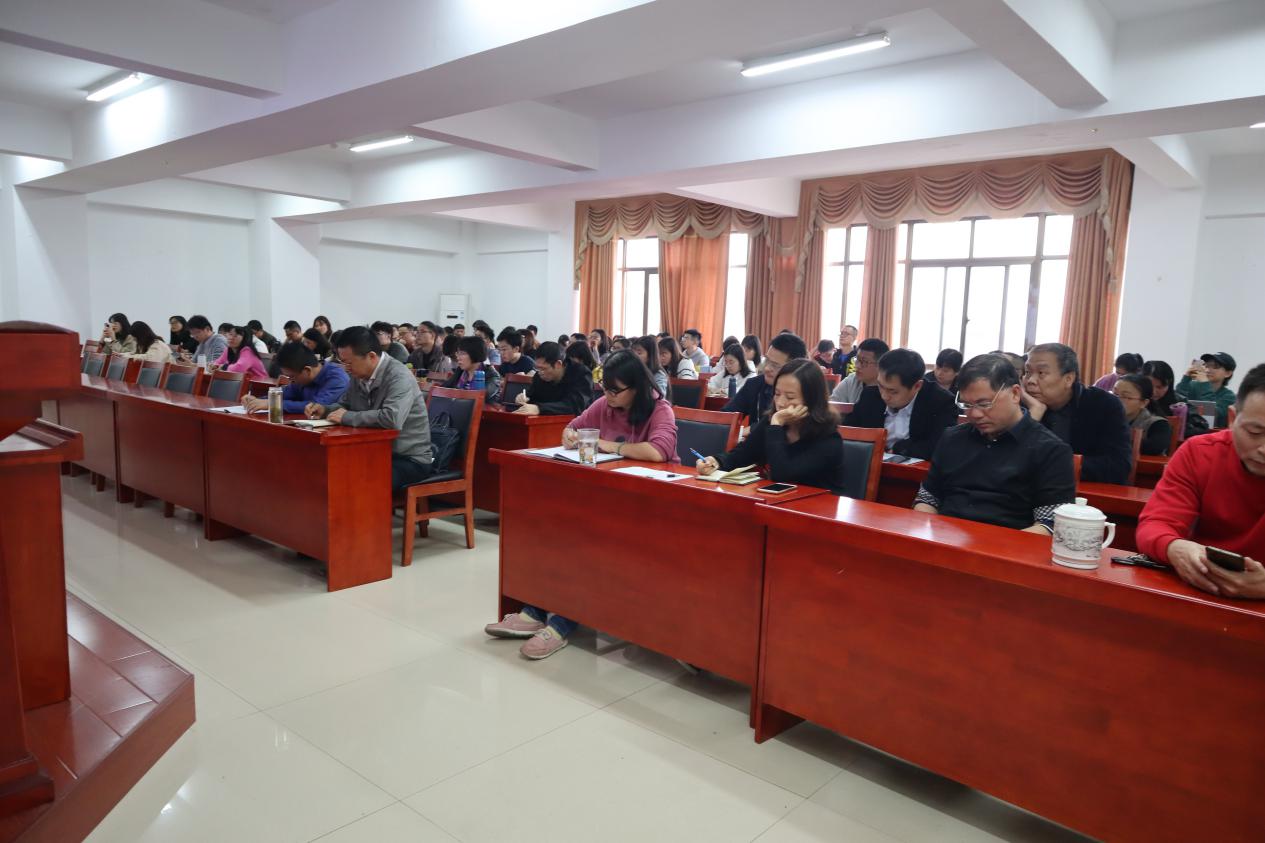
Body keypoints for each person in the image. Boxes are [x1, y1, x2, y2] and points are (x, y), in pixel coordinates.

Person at [484, 350, 678, 659]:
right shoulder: (604, 405)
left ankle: (560, 624)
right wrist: (570, 436)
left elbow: (658, 451)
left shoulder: (659, 410)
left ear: (637, 387)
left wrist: (608, 445)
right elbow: (572, 427)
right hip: (606, 500)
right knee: (554, 531)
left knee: (586, 542)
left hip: (649, 508)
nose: (608, 396)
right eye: (605, 389)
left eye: (615, 390)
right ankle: (536, 609)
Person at [1136, 363, 1265, 598]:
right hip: (1202, 588)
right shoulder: (1200, 453)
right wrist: (1175, 547)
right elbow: (1156, 524)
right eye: (1255, 432)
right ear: (1232, 418)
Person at [915, 354, 1076, 532]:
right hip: (946, 537)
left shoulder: (1050, 450)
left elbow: (1050, 524)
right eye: (967, 405)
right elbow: (927, 499)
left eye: (984, 404)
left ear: (1015, 394)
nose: (975, 414)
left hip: (1010, 542)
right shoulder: (952, 438)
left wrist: (991, 546)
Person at [306, 326, 434, 489]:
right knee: (325, 468)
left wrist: (346, 417)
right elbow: (346, 404)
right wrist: (325, 410)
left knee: (359, 479)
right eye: (343, 362)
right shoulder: (358, 373)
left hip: (408, 458)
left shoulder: (398, 376)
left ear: (371, 356)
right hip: (375, 450)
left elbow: (391, 418)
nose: (346, 368)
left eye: (349, 362)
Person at [698, 359, 845, 495]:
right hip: (781, 504)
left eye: (790, 397)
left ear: (812, 400)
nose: (780, 403)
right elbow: (743, 454)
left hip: (817, 508)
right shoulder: (774, 422)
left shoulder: (828, 439)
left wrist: (776, 425)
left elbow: (783, 474)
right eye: (777, 394)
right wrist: (715, 461)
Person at [1021, 343, 1132, 485]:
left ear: (1068, 379)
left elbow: (1119, 466)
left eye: (1041, 373)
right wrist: (1033, 416)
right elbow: (1007, 461)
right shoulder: (1022, 405)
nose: (1030, 381)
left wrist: (1056, 465)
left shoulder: (1103, 404)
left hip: (1083, 493)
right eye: (1027, 372)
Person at [849, 348, 960, 459]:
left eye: (893, 391)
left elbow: (939, 445)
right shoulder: (870, 395)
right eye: (881, 386)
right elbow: (850, 433)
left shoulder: (940, 402)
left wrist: (898, 449)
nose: (884, 396)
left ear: (917, 386)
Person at [244, 342, 349, 415]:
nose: (290, 381)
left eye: (292, 377)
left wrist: (273, 404)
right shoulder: (300, 379)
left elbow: (315, 406)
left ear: (307, 370)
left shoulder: (337, 379)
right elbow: (286, 393)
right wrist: (257, 400)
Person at [723, 332, 808, 421]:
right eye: (767, 360)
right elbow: (725, 417)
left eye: (775, 365)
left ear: (794, 368)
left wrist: (752, 428)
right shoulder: (754, 385)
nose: (767, 368)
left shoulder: (804, 392)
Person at [514, 341, 593, 416]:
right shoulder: (539, 376)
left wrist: (539, 408)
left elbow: (575, 406)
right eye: (538, 368)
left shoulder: (581, 374)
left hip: (577, 423)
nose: (540, 372)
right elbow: (532, 397)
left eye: (544, 368)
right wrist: (523, 398)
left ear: (558, 364)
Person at [1112, 374, 1172, 456]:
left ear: (1143, 403)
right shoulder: (1106, 418)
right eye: (1115, 394)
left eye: (1126, 396)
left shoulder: (1158, 424)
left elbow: (1154, 447)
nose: (1117, 400)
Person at [1178, 352, 1237, 428]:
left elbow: (1211, 415)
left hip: (1209, 433)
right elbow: (1176, 402)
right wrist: (1186, 378)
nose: (1208, 370)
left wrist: (1204, 383)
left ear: (1228, 373)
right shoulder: (1192, 385)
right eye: (1206, 365)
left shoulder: (1229, 397)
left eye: (1215, 366)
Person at [443, 335, 502, 401]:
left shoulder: (491, 374)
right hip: (460, 405)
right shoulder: (460, 371)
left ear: (475, 353)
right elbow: (444, 388)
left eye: (462, 353)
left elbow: (481, 395)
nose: (458, 358)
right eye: (457, 353)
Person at [830, 338, 889, 403]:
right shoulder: (851, 380)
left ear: (880, 365)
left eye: (864, 362)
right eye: (857, 359)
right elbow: (832, 403)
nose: (857, 366)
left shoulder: (890, 388)